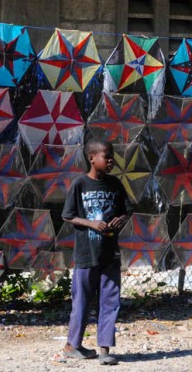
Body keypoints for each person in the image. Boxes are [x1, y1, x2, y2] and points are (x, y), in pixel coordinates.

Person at [61, 139, 132, 365]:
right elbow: (68, 215)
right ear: (92, 158)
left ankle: (104, 349)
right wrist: (92, 224)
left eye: (112, 157)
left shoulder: (115, 184)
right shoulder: (80, 184)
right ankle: (72, 345)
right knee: (81, 300)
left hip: (110, 253)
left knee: (110, 299)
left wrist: (121, 220)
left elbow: (126, 211)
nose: (111, 161)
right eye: (106, 157)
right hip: (86, 254)